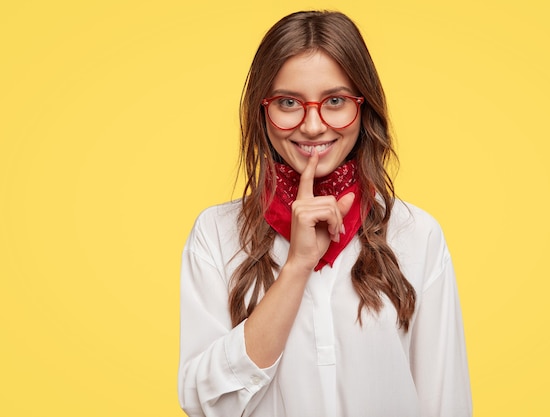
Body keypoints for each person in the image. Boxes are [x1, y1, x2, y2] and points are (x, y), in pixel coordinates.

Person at [178, 10, 472, 417]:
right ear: (263, 111)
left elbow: (446, 401)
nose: (313, 125)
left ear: (363, 106)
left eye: (335, 101)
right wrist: (298, 265)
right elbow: (206, 403)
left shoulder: (416, 234)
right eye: (288, 102)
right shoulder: (215, 234)